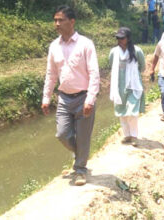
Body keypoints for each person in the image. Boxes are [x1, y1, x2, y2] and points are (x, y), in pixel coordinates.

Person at [41, 5, 100, 186]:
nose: (56, 24)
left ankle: (80, 169)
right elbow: (51, 74)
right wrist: (46, 98)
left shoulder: (85, 44)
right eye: (55, 20)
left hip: (83, 97)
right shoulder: (54, 46)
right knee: (62, 134)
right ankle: (80, 155)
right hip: (64, 98)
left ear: (72, 21)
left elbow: (94, 73)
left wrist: (90, 99)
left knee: (83, 136)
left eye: (61, 20)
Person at [109, 27, 145, 146]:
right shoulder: (114, 52)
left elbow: (142, 66)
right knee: (121, 111)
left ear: (128, 39)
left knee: (132, 111)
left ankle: (134, 136)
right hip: (118, 86)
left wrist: (133, 75)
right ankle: (127, 135)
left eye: (122, 38)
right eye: (118, 38)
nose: (119, 40)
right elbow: (111, 65)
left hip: (133, 86)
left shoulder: (137, 51)